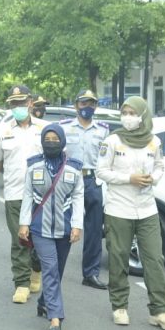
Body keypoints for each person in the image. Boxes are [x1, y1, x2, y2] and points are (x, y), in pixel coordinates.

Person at [96, 96, 165, 330]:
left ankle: (159, 311)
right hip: (118, 208)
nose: (128, 117)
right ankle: (120, 306)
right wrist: (128, 179)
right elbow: (101, 171)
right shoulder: (112, 141)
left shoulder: (154, 142)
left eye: (133, 113)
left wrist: (153, 178)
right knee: (118, 256)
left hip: (147, 208)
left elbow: (160, 166)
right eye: (125, 112)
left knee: (154, 258)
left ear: (143, 115)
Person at [0, 84, 48, 303]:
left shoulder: (45, 129)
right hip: (14, 193)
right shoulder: (3, 131)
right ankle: (21, 283)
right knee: (19, 239)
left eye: (21, 102)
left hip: (42, 195)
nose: (18, 107)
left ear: (30, 103)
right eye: (13, 104)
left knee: (40, 239)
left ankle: (36, 269)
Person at [18, 124, 83, 330]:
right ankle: (55, 317)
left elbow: (78, 197)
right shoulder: (34, 165)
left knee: (58, 270)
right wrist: (24, 223)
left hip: (64, 229)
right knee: (50, 268)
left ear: (63, 141)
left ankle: (44, 302)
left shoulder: (73, 168)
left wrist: (76, 225)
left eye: (56, 139)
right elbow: (28, 195)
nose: (52, 142)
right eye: (48, 138)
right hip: (40, 229)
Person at [62, 89, 109, 290]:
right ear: (76, 106)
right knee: (62, 225)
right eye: (83, 104)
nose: (87, 108)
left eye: (91, 104)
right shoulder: (64, 127)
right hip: (69, 180)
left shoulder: (103, 130)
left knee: (94, 229)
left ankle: (90, 273)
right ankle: (53, 268)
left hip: (92, 181)